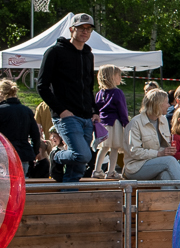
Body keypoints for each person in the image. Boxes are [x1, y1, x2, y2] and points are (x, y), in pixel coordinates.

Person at [37, 13, 97, 182]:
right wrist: (61, 111)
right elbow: (42, 86)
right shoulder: (55, 52)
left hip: (86, 116)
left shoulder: (88, 54)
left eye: (88, 29)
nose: (85, 32)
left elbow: (88, 86)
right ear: (72, 29)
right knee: (82, 155)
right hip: (66, 116)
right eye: (81, 28)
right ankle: (56, 154)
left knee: (78, 167)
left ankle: (69, 194)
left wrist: (94, 110)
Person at [123, 90, 180, 180]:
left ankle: (170, 194)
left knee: (166, 175)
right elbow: (135, 152)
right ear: (158, 104)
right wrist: (159, 153)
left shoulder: (163, 120)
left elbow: (162, 148)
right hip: (135, 167)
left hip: (157, 163)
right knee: (169, 161)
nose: (169, 105)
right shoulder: (135, 123)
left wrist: (167, 151)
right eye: (167, 102)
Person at [91, 65, 129, 179]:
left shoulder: (99, 93)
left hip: (102, 124)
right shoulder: (117, 93)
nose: (120, 78)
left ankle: (97, 170)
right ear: (112, 77)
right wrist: (126, 123)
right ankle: (111, 171)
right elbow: (122, 109)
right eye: (118, 76)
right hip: (115, 123)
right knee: (114, 148)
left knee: (103, 147)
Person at [0, 79, 40, 173]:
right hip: (23, 154)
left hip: (3, 155)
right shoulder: (26, 111)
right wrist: (34, 153)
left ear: (1, 93)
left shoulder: (1, 111)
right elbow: (36, 135)